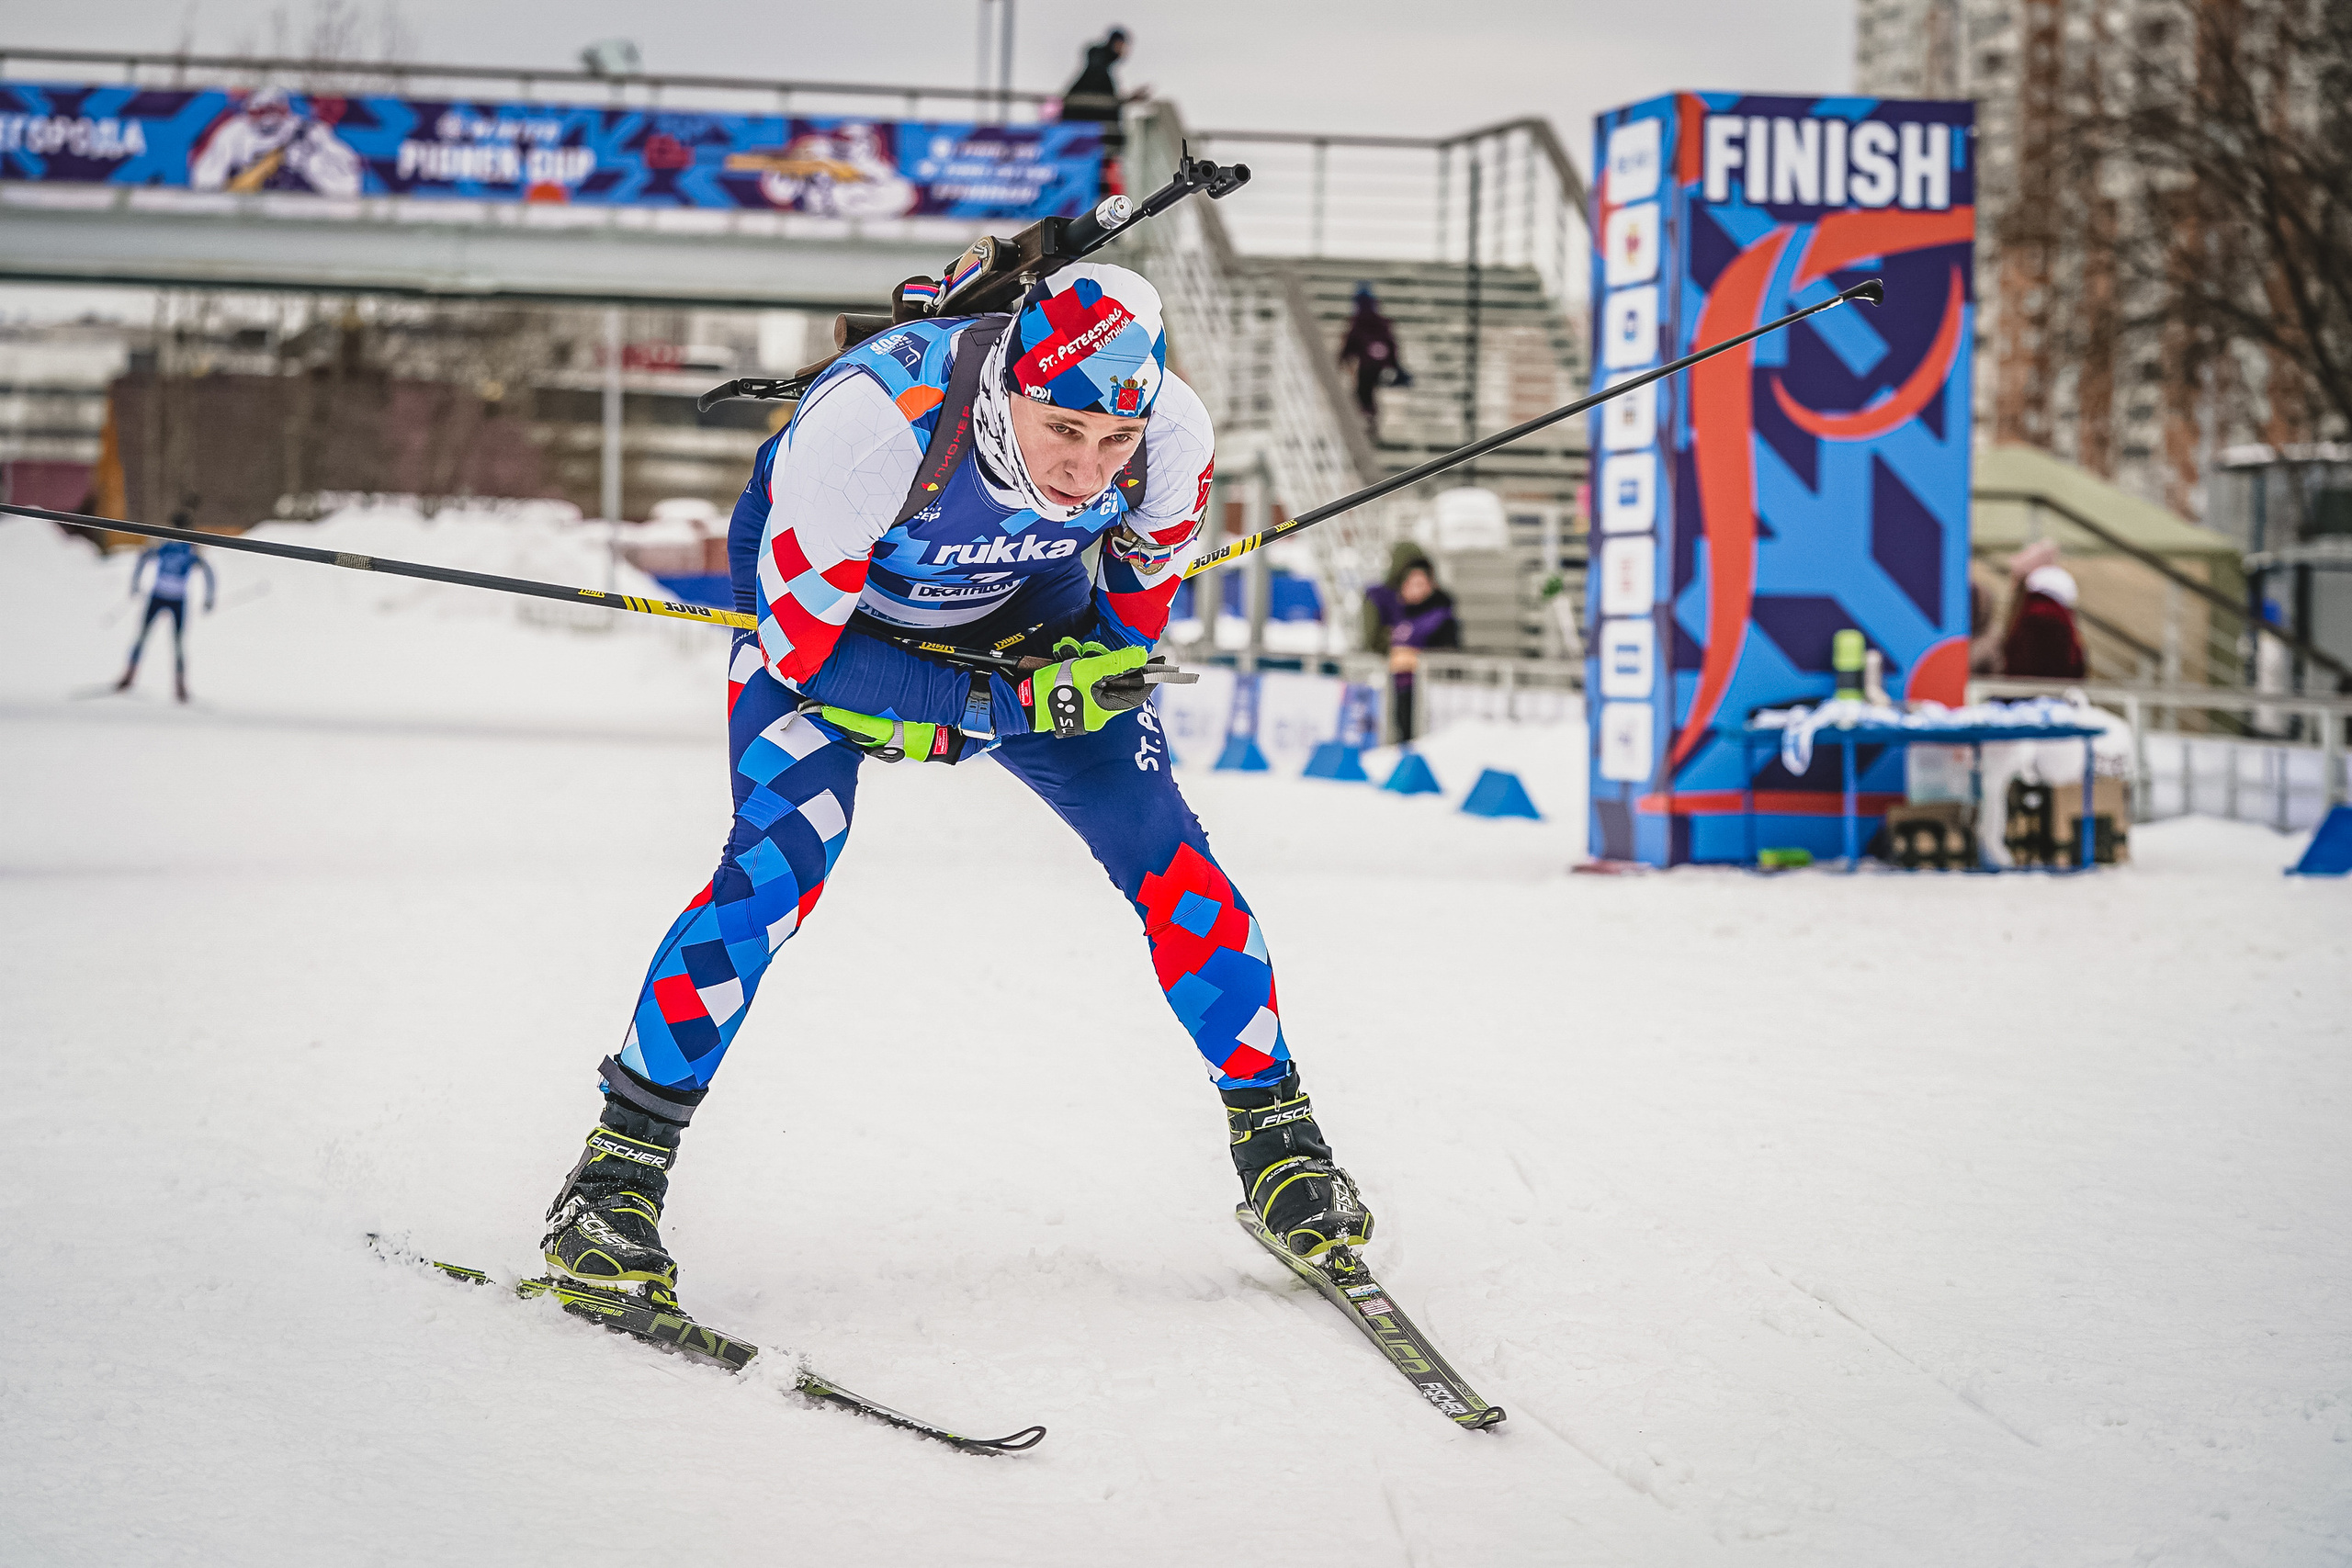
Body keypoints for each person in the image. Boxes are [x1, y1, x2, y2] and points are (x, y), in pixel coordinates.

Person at [537, 264, 1374, 1309]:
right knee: (775, 871)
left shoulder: (1172, 438)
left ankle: (1281, 1147)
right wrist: (995, 710)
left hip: (1024, 615)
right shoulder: (877, 419)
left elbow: (1125, 633)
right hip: (832, 630)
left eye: (1113, 443)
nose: (1085, 469)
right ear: (1009, 386)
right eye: (1063, 428)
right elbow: (804, 656)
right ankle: (612, 1181)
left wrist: (1084, 681)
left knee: (1172, 859)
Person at [1361, 541, 1459, 743]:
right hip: (1398, 685)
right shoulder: (1392, 605)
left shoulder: (1439, 613)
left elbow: (1448, 648)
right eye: (1411, 583)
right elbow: (1375, 640)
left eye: (1422, 584)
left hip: (1427, 689)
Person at [116, 518, 215, 703]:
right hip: (159, 596)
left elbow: (207, 570)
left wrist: (209, 597)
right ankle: (129, 675)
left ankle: (179, 685)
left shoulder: (187, 547)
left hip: (176, 599)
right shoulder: (166, 543)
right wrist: (135, 584)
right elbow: (144, 557)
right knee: (144, 637)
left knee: (175, 643)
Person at [1059, 28, 1136, 196]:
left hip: (1085, 141)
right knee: (1095, 191)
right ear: (1116, 44)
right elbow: (1102, 105)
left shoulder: (1098, 69)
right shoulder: (1099, 70)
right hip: (1094, 143)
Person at [1338, 284, 1408, 440]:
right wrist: (1394, 365)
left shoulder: (1357, 322)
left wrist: (1341, 360)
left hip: (1367, 366)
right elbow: (1392, 345)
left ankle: (1366, 417)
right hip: (1381, 366)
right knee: (1367, 393)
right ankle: (1369, 420)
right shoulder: (1383, 323)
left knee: (1362, 392)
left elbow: (1351, 344)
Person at [2002, 562, 2086, 679]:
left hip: (2020, 687)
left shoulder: (2024, 616)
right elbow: (2076, 664)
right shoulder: (2063, 620)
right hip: (2057, 688)